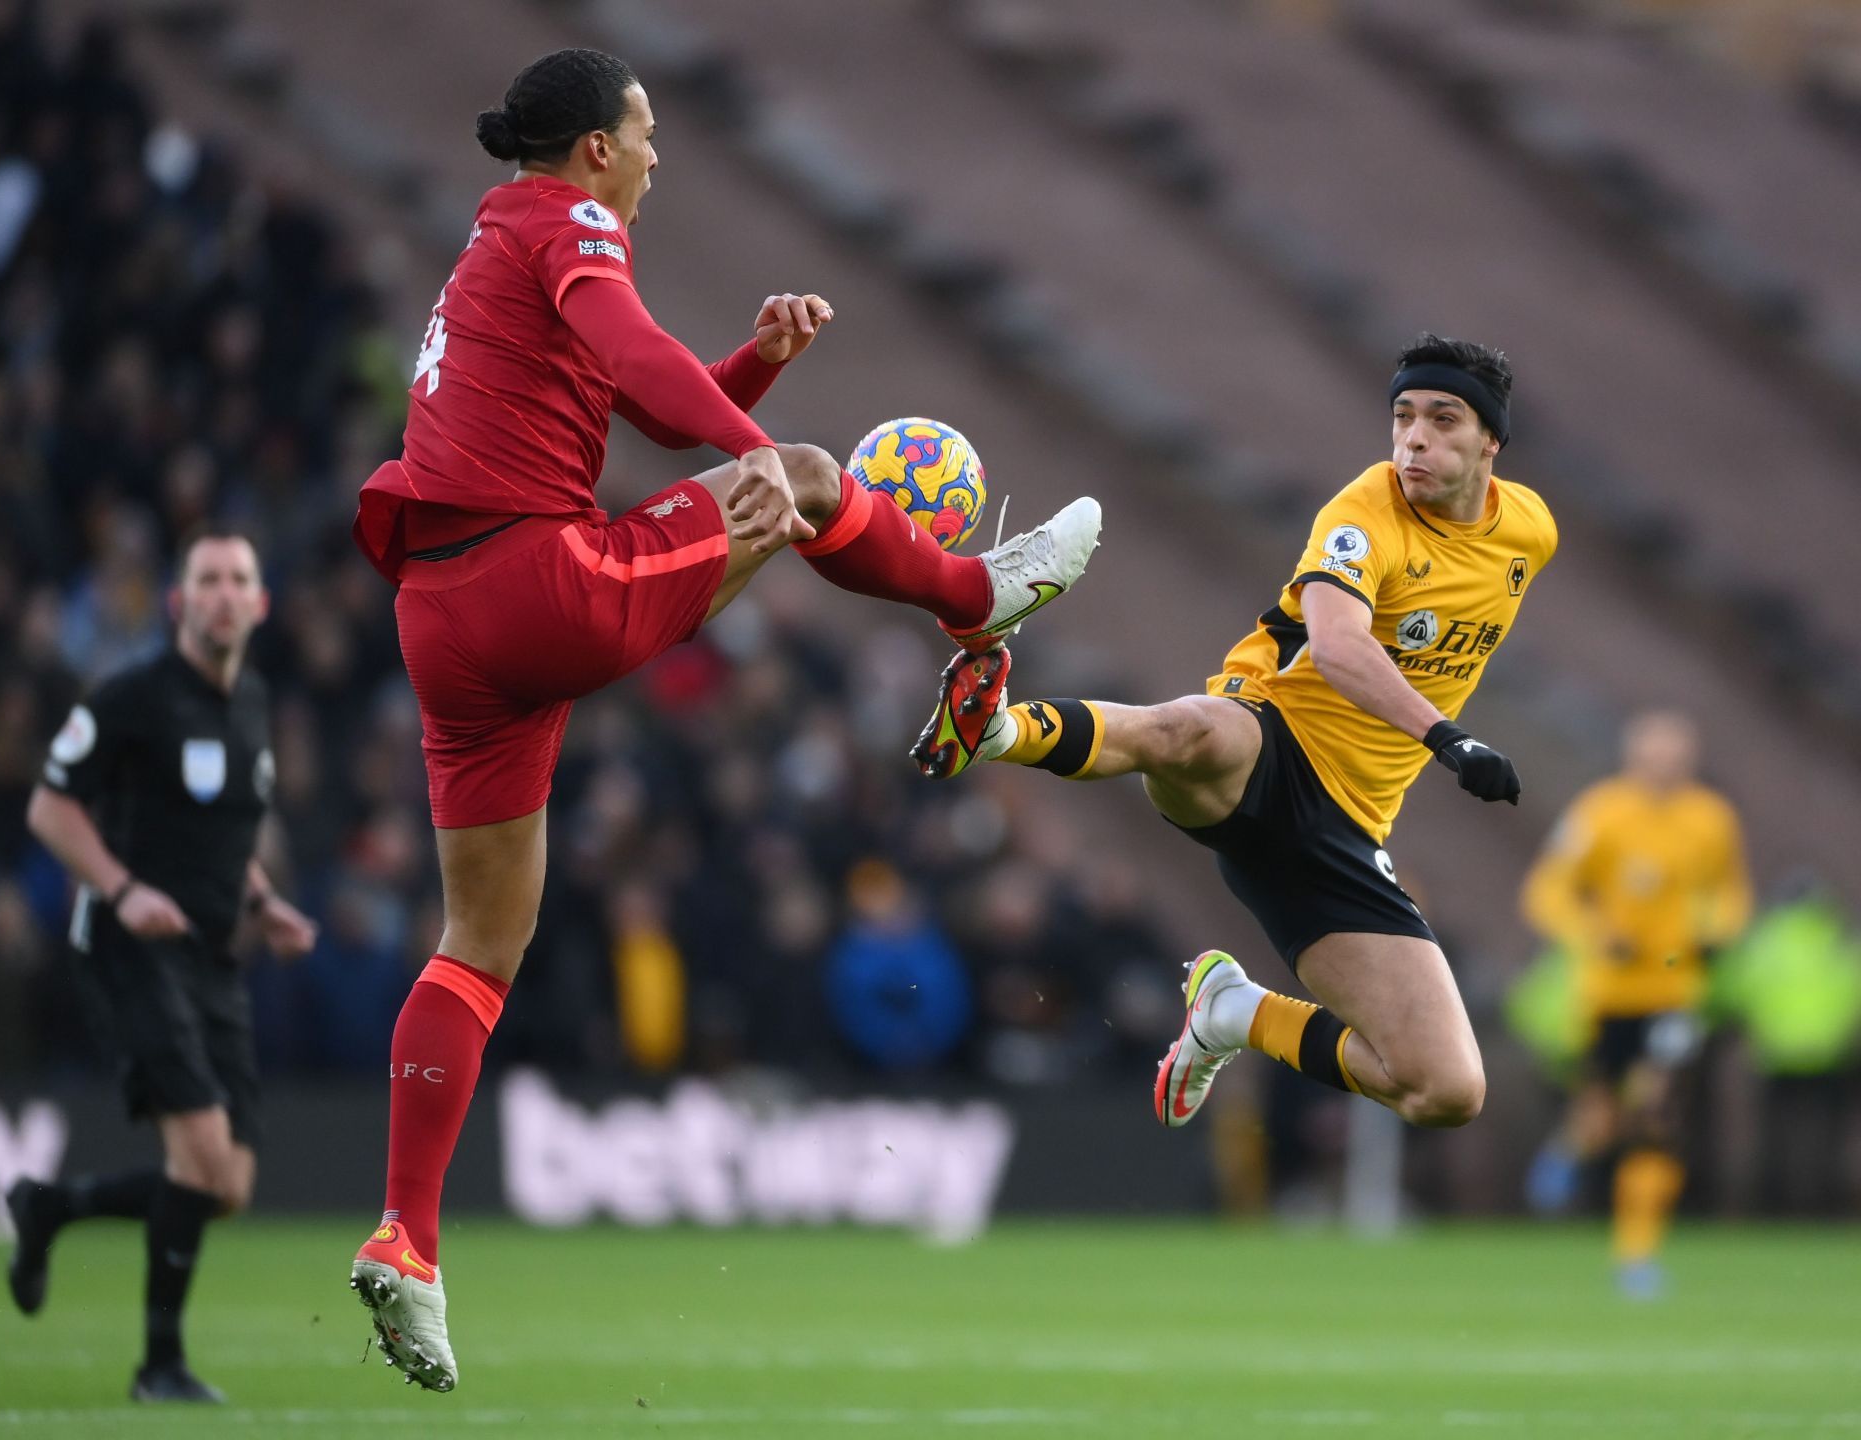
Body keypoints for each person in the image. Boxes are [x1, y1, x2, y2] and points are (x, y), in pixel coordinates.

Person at [347, 47, 1101, 1392]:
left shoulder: (494, 249)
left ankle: (407, 1236)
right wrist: (758, 453)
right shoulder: (569, 222)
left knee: (480, 941)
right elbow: (638, 358)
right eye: (643, 134)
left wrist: (750, 363)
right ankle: (975, 595)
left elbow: (632, 397)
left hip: (445, 619)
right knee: (808, 478)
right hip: (535, 582)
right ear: (591, 148)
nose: (654, 158)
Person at [916, 334, 1554, 1135]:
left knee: (1446, 1089)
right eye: (1402, 417)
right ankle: (993, 727)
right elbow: (1336, 644)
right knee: (1188, 732)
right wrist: (1449, 739)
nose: (1414, 439)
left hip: (1346, 831)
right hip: (1271, 735)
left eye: (1443, 420)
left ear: (1491, 440)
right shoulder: (1367, 509)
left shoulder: (1530, 532)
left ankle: (1235, 1013)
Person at [7, 530, 319, 1403]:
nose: (223, 595)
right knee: (202, 1157)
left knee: (230, 1187)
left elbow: (220, 836)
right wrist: (122, 889)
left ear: (259, 605)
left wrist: (262, 902)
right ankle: (159, 1367)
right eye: (207, 580)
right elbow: (48, 807)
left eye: (239, 581)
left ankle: (51, 1208)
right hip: (130, 945)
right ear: (181, 602)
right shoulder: (132, 698)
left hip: (214, 954)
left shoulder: (252, 702)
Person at [1520, 710, 1750, 1296]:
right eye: (1653, 759)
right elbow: (1546, 892)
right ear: (1632, 758)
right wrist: (1597, 935)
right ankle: (1571, 1147)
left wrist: (1716, 928)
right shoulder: (1600, 812)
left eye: (1675, 760)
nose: (1663, 770)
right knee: (1603, 1116)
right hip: (1609, 992)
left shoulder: (1710, 818)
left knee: (1657, 1111)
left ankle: (1636, 1254)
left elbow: (1730, 894)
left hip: (1675, 992)